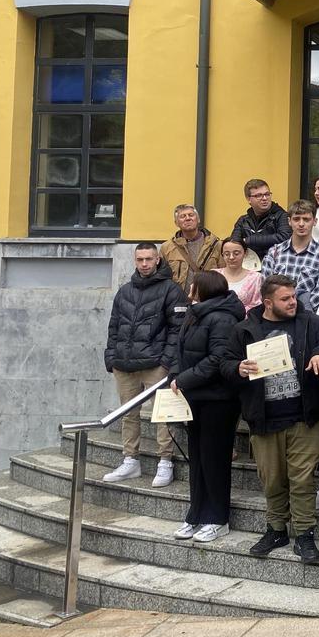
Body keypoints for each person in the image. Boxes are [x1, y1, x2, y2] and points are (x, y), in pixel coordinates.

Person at [225, 275, 319, 564]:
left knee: (302, 480)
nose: (293, 302)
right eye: (286, 298)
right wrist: (238, 367)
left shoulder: (310, 322)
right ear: (268, 301)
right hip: (263, 419)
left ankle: (304, 534)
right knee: (272, 480)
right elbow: (223, 363)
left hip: (303, 417)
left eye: (294, 296)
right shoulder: (245, 329)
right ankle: (276, 530)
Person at [168, 270, 245, 543]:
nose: (189, 288)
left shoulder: (222, 318)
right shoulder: (196, 313)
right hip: (195, 398)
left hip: (218, 400)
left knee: (214, 460)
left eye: (194, 285)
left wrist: (184, 379)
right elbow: (182, 352)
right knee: (197, 459)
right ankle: (196, 514)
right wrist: (175, 376)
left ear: (204, 289)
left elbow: (217, 359)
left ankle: (217, 518)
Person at [102, 243, 188, 487]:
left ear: (158, 259)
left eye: (149, 259)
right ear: (135, 260)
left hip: (155, 364)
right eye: (140, 259)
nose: (144, 264)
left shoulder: (172, 290)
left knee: (164, 415)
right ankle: (130, 460)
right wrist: (111, 358)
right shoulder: (124, 291)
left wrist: (166, 362)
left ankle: (165, 461)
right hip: (124, 364)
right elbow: (113, 326)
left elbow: (178, 329)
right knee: (129, 414)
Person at [261, 200, 319, 313]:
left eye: (306, 219)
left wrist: (298, 310)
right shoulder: (274, 252)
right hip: (276, 314)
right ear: (289, 221)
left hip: (306, 316)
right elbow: (266, 287)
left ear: (314, 221)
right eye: (296, 219)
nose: (301, 224)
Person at [159, 203, 222, 294]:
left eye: (191, 215)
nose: (188, 218)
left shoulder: (216, 244)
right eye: (182, 216)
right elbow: (162, 277)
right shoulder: (167, 248)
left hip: (209, 299)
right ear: (176, 223)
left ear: (198, 219)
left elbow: (224, 273)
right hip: (179, 300)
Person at [230, 179, 290, 261]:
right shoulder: (243, 221)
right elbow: (234, 243)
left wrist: (250, 240)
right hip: (247, 266)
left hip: (274, 264)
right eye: (259, 195)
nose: (264, 198)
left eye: (267, 194)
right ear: (248, 199)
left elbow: (284, 237)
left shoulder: (282, 216)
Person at [217, 236, 263, 315]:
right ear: (222, 255)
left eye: (236, 253)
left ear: (245, 253)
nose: (231, 257)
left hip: (245, 324)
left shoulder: (256, 278)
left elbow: (257, 306)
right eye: (227, 254)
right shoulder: (215, 276)